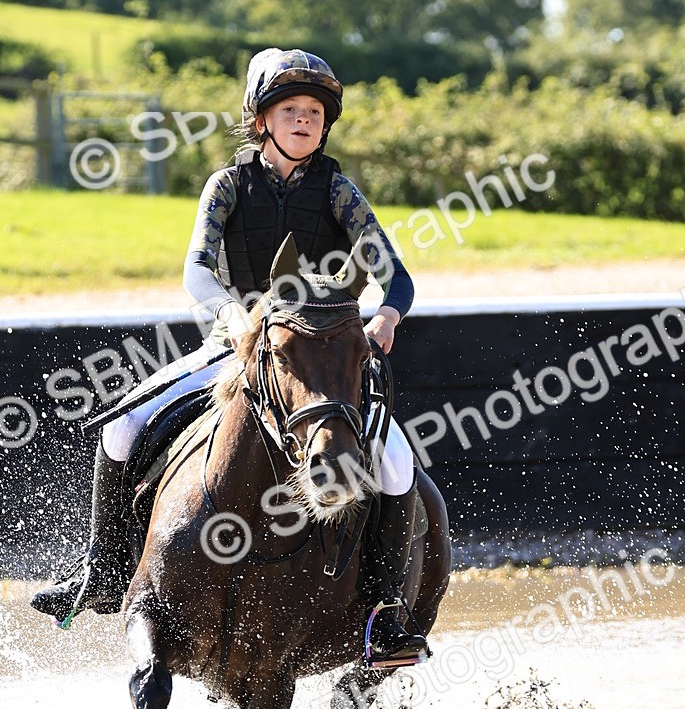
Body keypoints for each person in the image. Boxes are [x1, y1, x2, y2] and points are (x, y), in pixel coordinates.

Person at [32, 48, 427, 666]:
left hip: (321, 356)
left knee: (398, 467)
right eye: (291, 110)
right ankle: (104, 570)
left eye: (315, 113)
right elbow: (196, 267)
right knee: (119, 427)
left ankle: (385, 612)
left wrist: (385, 314)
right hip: (236, 343)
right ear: (262, 119)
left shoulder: (340, 192)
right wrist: (230, 314)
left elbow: (395, 277)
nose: (305, 121)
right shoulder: (227, 185)